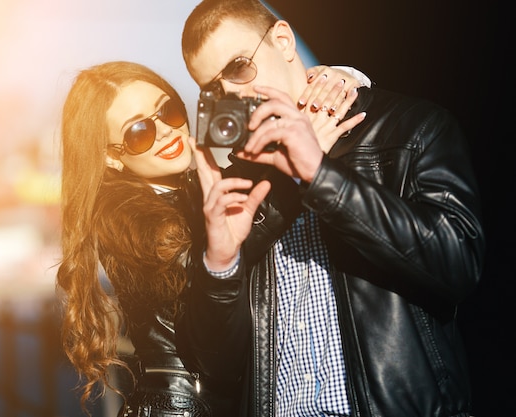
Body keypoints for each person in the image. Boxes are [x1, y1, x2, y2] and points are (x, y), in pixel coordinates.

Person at [176, 1, 486, 416]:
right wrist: (221, 262)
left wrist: (321, 177)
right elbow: (214, 365)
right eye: (213, 88)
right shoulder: (233, 188)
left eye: (238, 67)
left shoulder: (410, 128)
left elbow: (459, 263)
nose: (231, 93)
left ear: (284, 41)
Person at [55, 60, 366, 416]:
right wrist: (294, 177)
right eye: (138, 131)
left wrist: (338, 80)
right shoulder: (127, 221)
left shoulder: (189, 191)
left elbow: (250, 184)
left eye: (167, 111)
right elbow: (215, 264)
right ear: (112, 157)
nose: (165, 133)